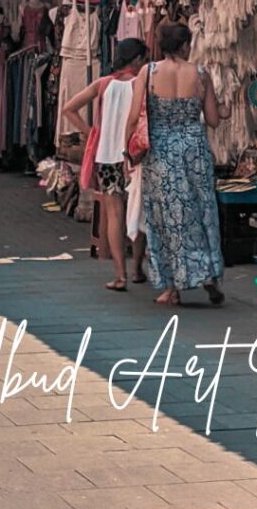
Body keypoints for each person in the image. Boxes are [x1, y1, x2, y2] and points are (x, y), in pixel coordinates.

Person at [125, 23, 230, 306]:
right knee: (201, 211)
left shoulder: (148, 73)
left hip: (161, 151)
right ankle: (208, 275)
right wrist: (224, 110)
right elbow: (212, 119)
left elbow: (135, 116)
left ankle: (172, 286)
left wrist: (128, 151)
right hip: (194, 149)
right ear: (185, 45)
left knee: (166, 217)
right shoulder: (200, 74)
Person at [62, 38, 148, 291]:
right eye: (143, 58)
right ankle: (137, 269)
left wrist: (91, 133)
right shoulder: (141, 85)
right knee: (138, 210)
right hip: (133, 157)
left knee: (114, 215)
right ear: (136, 60)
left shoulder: (103, 84)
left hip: (106, 156)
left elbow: (69, 108)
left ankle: (120, 275)